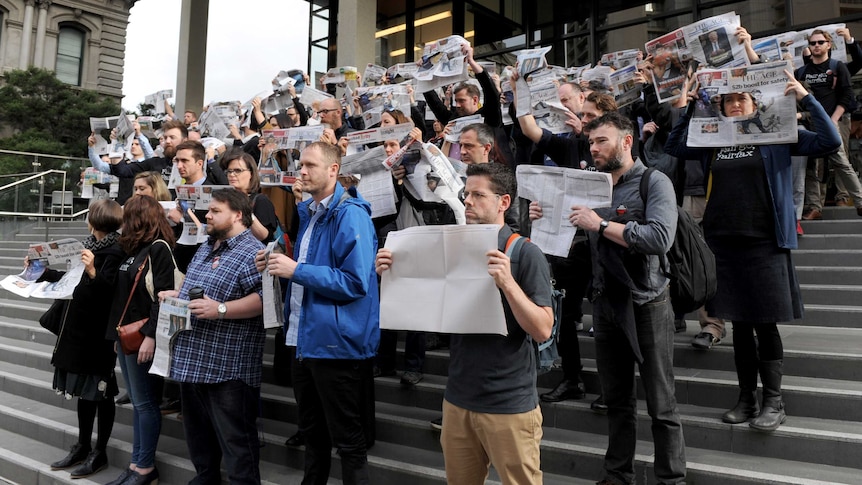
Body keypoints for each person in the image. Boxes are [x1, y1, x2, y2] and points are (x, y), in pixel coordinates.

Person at [665, 70, 842, 431]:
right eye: (729, 100)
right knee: (741, 326)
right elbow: (674, 147)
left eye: (741, 99)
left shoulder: (777, 136)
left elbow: (829, 141)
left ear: (755, 104)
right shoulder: (712, 140)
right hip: (724, 244)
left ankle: (773, 401)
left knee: (765, 324)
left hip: (764, 243)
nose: (735, 104)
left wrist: (805, 96)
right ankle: (746, 397)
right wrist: (691, 107)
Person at [375, 162, 553, 484]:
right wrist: (391, 273)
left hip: (509, 404)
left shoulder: (526, 254)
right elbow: (422, 306)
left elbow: (542, 329)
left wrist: (509, 285)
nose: (467, 201)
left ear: (504, 202)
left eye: (478, 195)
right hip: (457, 401)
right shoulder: (450, 244)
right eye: (465, 194)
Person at [562, 112, 685, 485]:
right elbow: (581, 240)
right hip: (605, 303)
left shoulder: (654, 181)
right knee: (616, 401)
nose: (594, 148)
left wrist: (599, 223)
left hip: (647, 303)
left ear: (626, 141)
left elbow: (658, 238)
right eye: (591, 142)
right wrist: (549, 218)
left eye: (602, 141)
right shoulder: (592, 185)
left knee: (661, 403)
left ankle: (671, 479)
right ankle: (617, 475)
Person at [257, 141, 379, 485]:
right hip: (304, 339)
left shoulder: (350, 213)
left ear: (333, 170)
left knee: (348, 442)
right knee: (313, 434)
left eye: (310, 165)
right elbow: (305, 270)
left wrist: (295, 270)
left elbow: (356, 282)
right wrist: (276, 262)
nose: (302, 171)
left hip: (335, 345)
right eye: (301, 165)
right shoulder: (310, 212)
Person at [160, 188, 265, 485]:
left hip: (229, 369)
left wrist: (220, 309)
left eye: (216, 210)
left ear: (238, 215)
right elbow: (196, 290)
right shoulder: (207, 247)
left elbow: (263, 301)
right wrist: (176, 295)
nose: (207, 215)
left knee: (238, 448)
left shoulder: (252, 252)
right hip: (193, 362)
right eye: (209, 210)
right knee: (200, 444)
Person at [43, 199, 124, 478]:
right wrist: (40, 270)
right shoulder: (88, 245)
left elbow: (108, 291)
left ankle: (98, 451)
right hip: (77, 331)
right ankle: (82, 445)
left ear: (96, 220)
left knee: (101, 392)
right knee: (84, 392)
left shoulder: (116, 250)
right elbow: (69, 277)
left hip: (98, 335)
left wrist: (92, 270)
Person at [105, 195, 178, 485]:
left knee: (146, 404)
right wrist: (115, 335)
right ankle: (136, 465)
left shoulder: (158, 249)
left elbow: (165, 296)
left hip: (145, 338)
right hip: (126, 337)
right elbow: (122, 298)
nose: (122, 222)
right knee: (138, 403)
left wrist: (151, 336)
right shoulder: (132, 249)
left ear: (138, 218)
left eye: (127, 216)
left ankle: (145, 468)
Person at [797, 29, 862, 219]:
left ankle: (858, 201)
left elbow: (847, 95)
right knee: (812, 167)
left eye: (819, 42)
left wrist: (832, 120)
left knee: (841, 162)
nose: (816, 46)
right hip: (810, 124)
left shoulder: (837, 66)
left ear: (828, 45)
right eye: (812, 43)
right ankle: (815, 206)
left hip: (833, 121)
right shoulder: (802, 71)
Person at [220, 149, 280, 243]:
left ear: (251, 173)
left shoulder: (261, 200)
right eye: (229, 171)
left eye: (237, 170)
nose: (232, 175)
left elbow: (264, 236)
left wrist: (246, 211)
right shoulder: (225, 199)